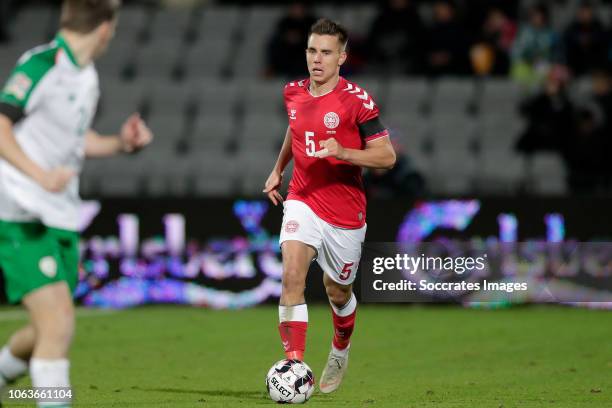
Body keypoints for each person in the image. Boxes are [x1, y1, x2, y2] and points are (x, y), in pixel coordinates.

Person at [0, 1, 152, 406]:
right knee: (58, 324)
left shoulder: (86, 78)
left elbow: (76, 142)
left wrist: (121, 143)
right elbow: (0, 126)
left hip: (61, 218)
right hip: (21, 211)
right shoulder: (41, 64)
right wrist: (39, 175)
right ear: (105, 28)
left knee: (44, 329)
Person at [263, 18, 396, 394]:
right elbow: (295, 127)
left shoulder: (358, 102)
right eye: (311, 51)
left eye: (325, 52)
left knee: (337, 292)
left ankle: (340, 348)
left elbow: (386, 157)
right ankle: (295, 367)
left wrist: (344, 152)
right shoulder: (293, 92)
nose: (316, 59)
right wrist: (278, 170)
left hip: (344, 211)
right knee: (291, 275)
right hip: (302, 197)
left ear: (342, 57)